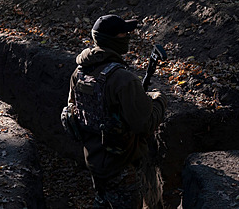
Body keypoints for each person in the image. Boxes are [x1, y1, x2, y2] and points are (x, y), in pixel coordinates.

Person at [67, 14, 167, 208]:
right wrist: (159, 100)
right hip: (121, 164)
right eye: (124, 33)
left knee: (103, 202)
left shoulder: (78, 72)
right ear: (114, 40)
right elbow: (144, 125)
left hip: (94, 159)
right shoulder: (123, 79)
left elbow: (79, 112)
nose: (128, 36)